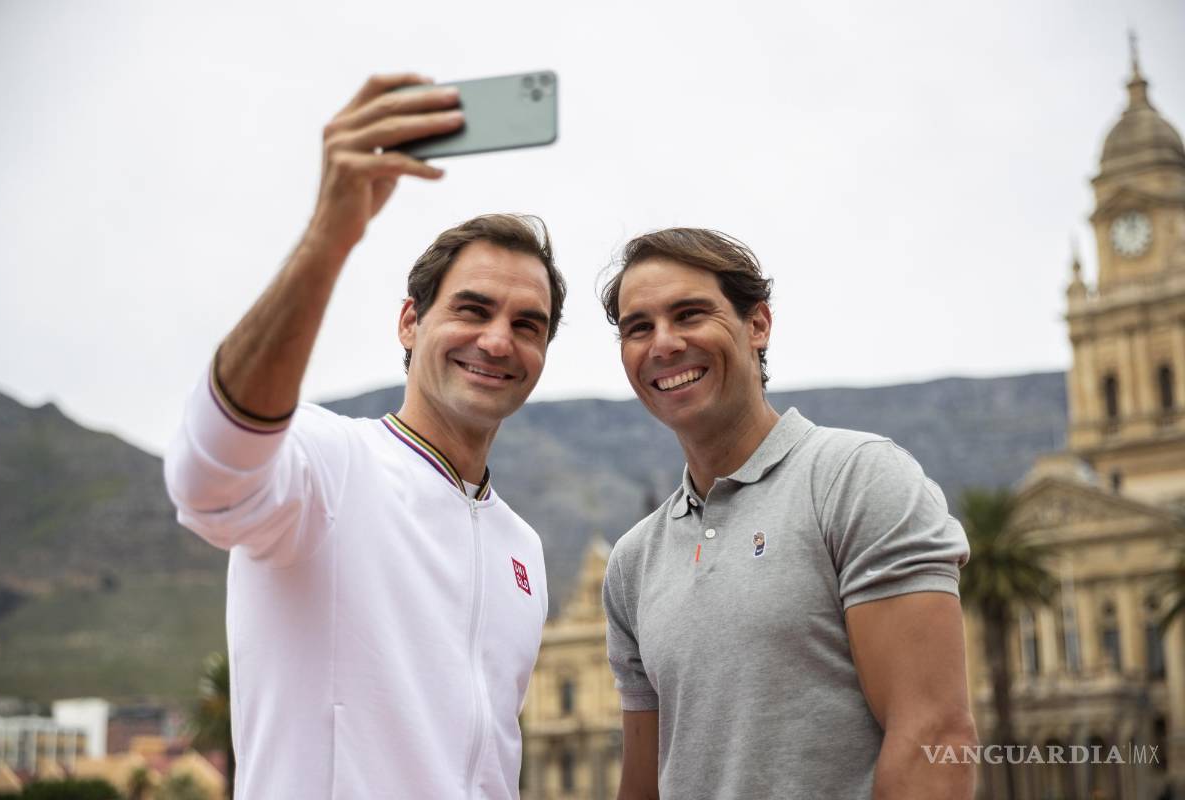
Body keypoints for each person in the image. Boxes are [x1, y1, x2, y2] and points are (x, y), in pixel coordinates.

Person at [163, 73, 567, 799]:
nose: (498, 341)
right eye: (471, 309)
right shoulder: (328, 463)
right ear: (410, 323)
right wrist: (331, 233)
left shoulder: (526, 551)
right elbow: (207, 479)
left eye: (526, 324)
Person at [598, 228, 977, 799]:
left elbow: (933, 735)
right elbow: (644, 784)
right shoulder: (631, 563)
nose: (664, 343)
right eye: (639, 328)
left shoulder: (856, 479)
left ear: (758, 325)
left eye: (690, 314)